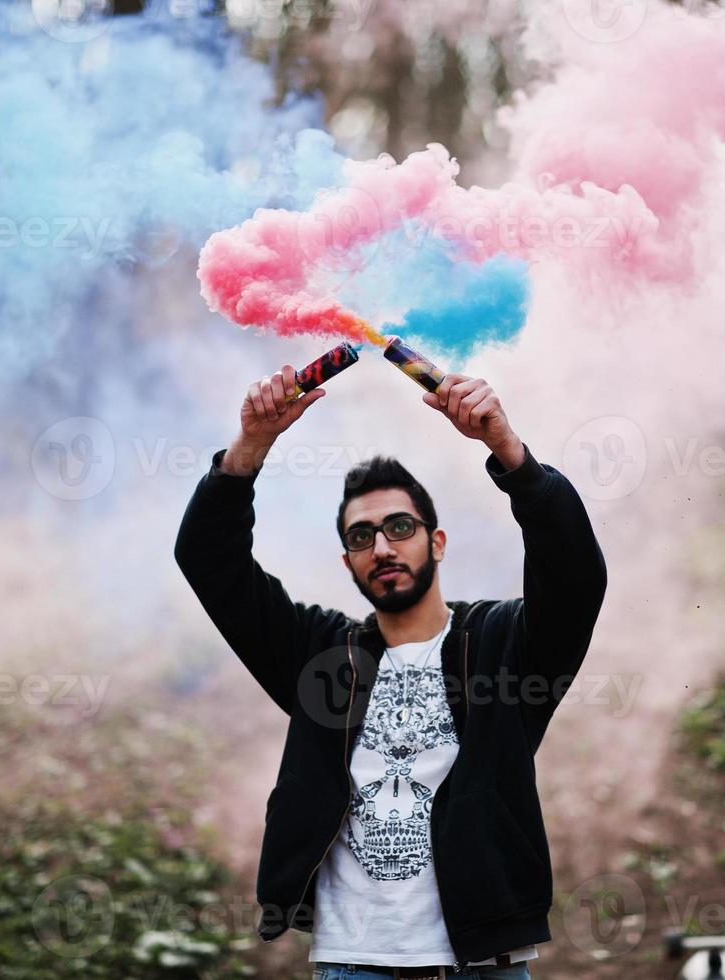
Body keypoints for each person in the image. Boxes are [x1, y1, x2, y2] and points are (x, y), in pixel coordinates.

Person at [174, 362, 608, 980]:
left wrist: (508, 453)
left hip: (481, 963)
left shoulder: (501, 646)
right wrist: (249, 447)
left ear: (437, 541)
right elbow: (208, 560)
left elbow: (575, 578)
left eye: (400, 527)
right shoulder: (319, 657)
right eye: (361, 537)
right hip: (355, 965)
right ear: (348, 562)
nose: (381, 547)